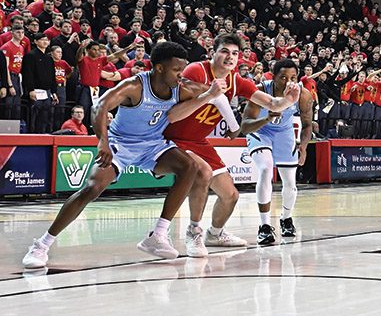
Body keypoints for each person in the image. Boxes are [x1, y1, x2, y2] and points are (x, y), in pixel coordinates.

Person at [22, 42, 226, 268]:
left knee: (190, 167)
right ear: (158, 68)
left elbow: (213, 93)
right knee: (92, 188)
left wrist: (214, 92)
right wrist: (103, 141)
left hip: (153, 144)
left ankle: (158, 235)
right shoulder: (134, 86)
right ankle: (41, 245)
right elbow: (100, 106)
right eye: (177, 70)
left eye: (183, 69)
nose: (182, 75)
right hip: (121, 144)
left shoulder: (182, 87)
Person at [164, 34, 300, 256]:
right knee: (202, 173)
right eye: (225, 51)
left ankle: (214, 234)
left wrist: (288, 101)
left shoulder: (237, 81)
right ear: (213, 53)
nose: (230, 57)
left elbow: (272, 103)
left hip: (199, 141)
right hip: (173, 138)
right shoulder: (196, 70)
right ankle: (193, 233)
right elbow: (179, 97)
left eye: (235, 53)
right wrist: (220, 105)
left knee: (231, 195)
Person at [240, 59, 314, 246]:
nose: (288, 82)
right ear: (273, 78)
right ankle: (264, 226)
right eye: (283, 78)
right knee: (265, 168)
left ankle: (286, 219)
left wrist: (303, 147)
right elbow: (246, 126)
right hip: (260, 132)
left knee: (290, 182)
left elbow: (307, 125)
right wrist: (266, 119)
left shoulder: (303, 94)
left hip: (285, 133)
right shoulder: (260, 91)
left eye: (293, 77)